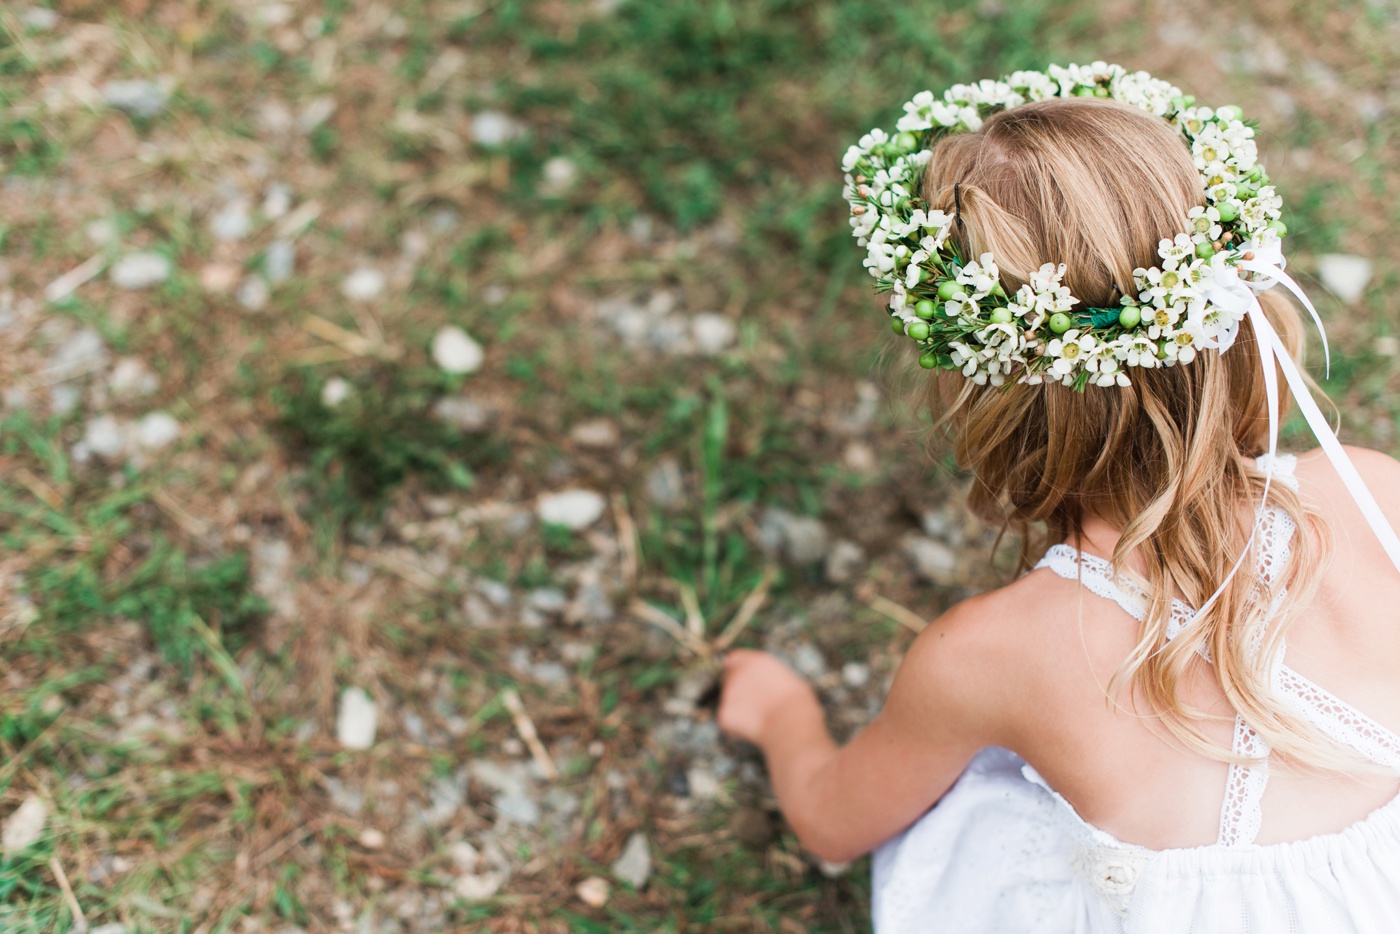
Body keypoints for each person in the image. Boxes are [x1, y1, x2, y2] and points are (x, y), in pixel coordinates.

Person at [717, 64, 1400, 931]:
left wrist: (782, 716)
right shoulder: (1372, 489)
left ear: (984, 394)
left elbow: (831, 821)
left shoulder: (992, 653)